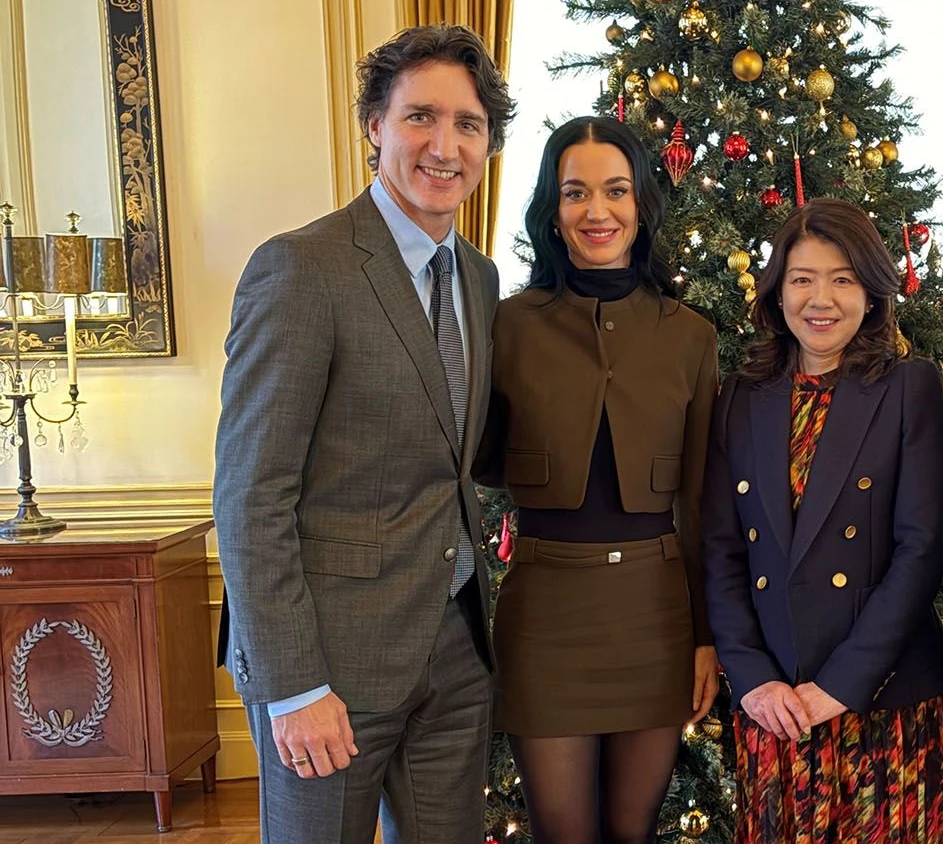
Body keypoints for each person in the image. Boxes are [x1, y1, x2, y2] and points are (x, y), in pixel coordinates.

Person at [213, 25, 513, 844]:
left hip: (455, 652)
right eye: (421, 117)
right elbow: (250, 493)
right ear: (375, 125)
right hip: (329, 667)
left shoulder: (479, 277)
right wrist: (294, 685)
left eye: (469, 124)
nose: (445, 146)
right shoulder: (302, 268)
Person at [473, 115, 718, 844]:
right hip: (546, 614)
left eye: (615, 190)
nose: (596, 211)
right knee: (563, 833)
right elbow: (478, 459)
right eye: (575, 192)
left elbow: (699, 503)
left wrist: (705, 637)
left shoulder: (690, 335)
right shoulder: (507, 325)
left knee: (630, 832)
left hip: (656, 617)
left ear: (641, 202)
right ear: (552, 210)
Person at [701, 198, 943, 842]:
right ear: (777, 292)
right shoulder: (741, 396)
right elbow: (722, 551)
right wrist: (753, 679)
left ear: (871, 293)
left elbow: (921, 551)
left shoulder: (909, 387)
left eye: (842, 279)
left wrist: (842, 685)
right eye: (802, 279)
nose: (821, 300)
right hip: (777, 709)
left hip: (884, 702)